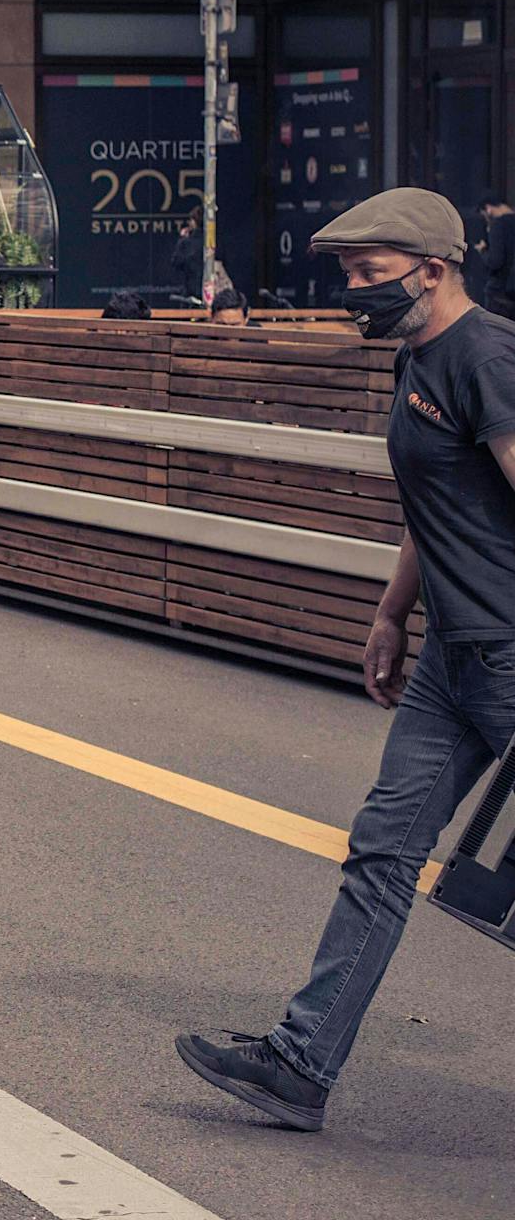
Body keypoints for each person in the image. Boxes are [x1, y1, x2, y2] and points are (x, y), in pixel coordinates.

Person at [177, 187, 515, 1133]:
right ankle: (300, 1062)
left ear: (434, 271)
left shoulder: (486, 356)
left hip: (509, 657)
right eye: (350, 277)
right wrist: (390, 614)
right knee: (382, 852)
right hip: (454, 659)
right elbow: (437, 506)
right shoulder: (420, 355)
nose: (355, 293)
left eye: (369, 276)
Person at [479, 192, 514, 321]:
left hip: (501, 291)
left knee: (496, 333)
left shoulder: (498, 225)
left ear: (488, 209)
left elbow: (495, 261)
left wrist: (483, 251)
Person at [171, 210, 204, 300]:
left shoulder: (187, 242)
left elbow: (176, 262)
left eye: (191, 220)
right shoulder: (212, 241)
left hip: (192, 289)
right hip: (209, 289)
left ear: (194, 222)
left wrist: (182, 239)